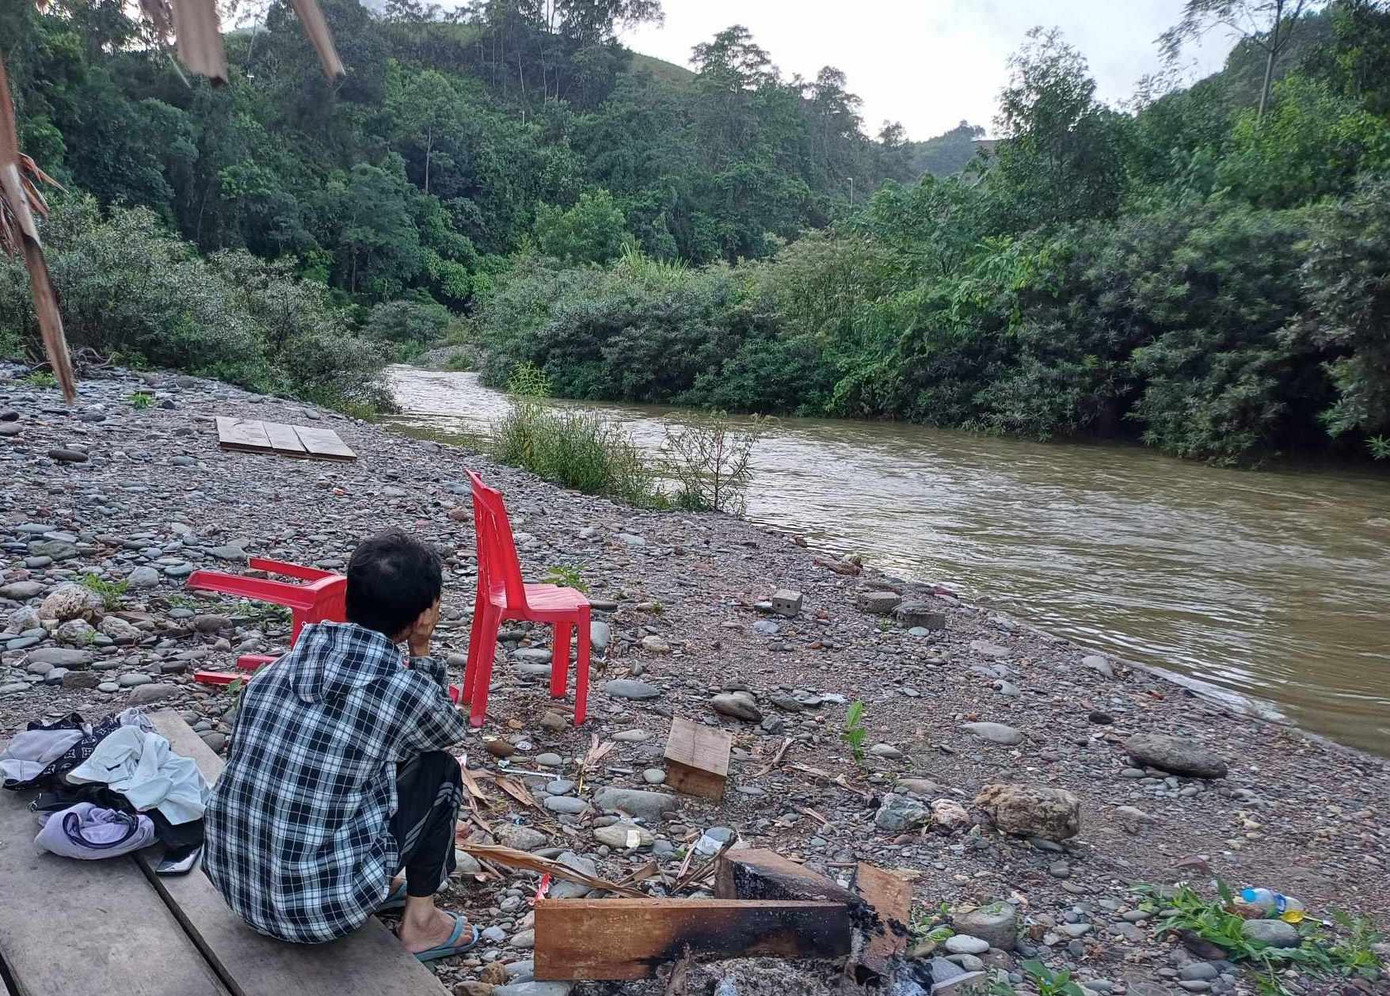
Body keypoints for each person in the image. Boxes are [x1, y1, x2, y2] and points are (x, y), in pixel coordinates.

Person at [204, 528, 476, 960]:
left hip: (238, 888)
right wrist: (422, 649)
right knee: (440, 769)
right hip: (320, 913)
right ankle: (421, 924)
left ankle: (379, 880)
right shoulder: (398, 689)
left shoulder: (283, 666)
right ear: (423, 615)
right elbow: (446, 731)